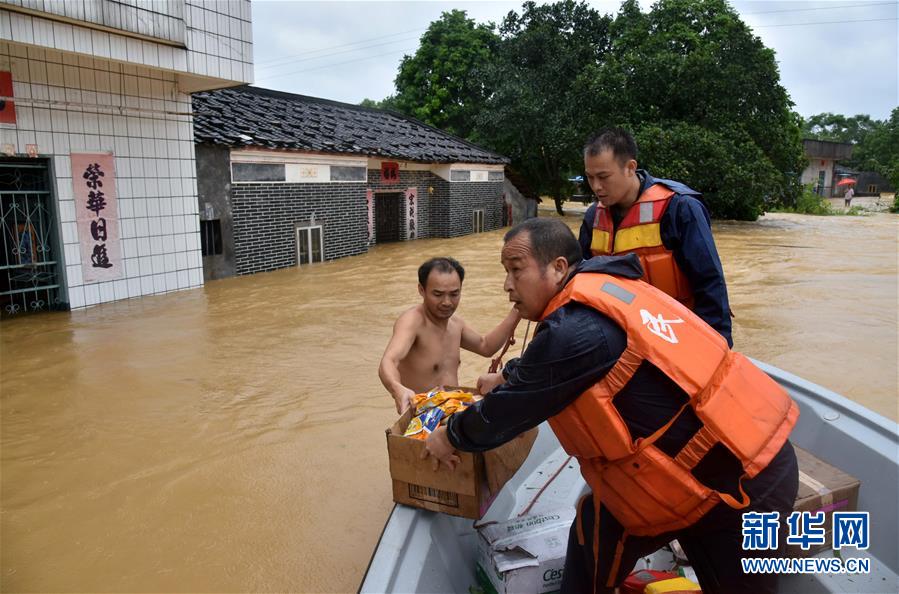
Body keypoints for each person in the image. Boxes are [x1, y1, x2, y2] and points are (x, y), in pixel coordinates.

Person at [424, 219, 799, 594]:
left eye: (516, 270)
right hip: (666, 476)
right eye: (506, 272)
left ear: (557, 267)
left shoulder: (573, 329)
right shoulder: (600, 292)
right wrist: (508, 375)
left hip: (741, 482)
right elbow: (561, 363)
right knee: (594, 534)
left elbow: (499, 418)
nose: (507, 285)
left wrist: (450, 435)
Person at [578, 127, 733, 346]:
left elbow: (710, 284)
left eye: (604, 177)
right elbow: (579, 282)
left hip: (677, 335)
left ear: (630, 168)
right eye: (590, 177)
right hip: (621, 336)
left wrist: (718, 347)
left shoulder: (680, 208)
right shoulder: (593, 217)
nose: (596, 187)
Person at [379, 256, 520, 414]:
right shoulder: (412, 321)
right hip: (422, 418)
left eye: (454, 294)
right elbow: (389, 361)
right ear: (421, 290)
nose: (447, 302)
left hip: (454, 411)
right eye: (438, 294)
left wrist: (518, 309)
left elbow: (485, 346)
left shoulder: (456, 324)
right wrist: (397, 389)